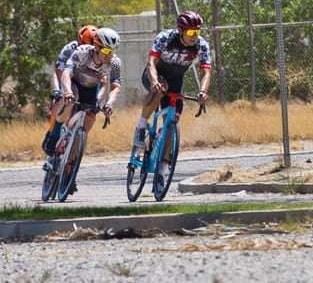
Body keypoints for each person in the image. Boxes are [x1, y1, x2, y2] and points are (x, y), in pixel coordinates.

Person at [50, 28, 123, 185]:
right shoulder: (82, 51)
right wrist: (67, 92)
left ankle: (69, 168)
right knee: (72, 98)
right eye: (105, 50)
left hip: (91, 90)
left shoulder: (114, 62)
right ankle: (61, 131)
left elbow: (115, 86)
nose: (109, 54)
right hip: (75, 85)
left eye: (112, 50)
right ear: (96, 46)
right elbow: (65, 74)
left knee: (87, 126)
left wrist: (108, 103)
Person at [133, 11, 213, 149]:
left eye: (197, 31)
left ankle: (164, 166)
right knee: (161, 87)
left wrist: (203, 91)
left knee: (172, 122)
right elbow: (151, 62)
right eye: (190, 33)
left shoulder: (202, 45)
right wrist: (154, 81)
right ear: (180, 31)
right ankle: (141, 126)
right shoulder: (166, 37)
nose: (194, 36)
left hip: (176, 82)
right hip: (155, 75)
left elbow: (205, 72)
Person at [42, 24, 99, 155]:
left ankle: (73, 154)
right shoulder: (70, 48)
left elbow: (102, 81)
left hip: (89, 83)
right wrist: (57, 91)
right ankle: (54, 133)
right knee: (62, 99)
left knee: (91, 113)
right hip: (70, 79)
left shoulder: (100, 54)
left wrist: (98, 102)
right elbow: (58, 72)